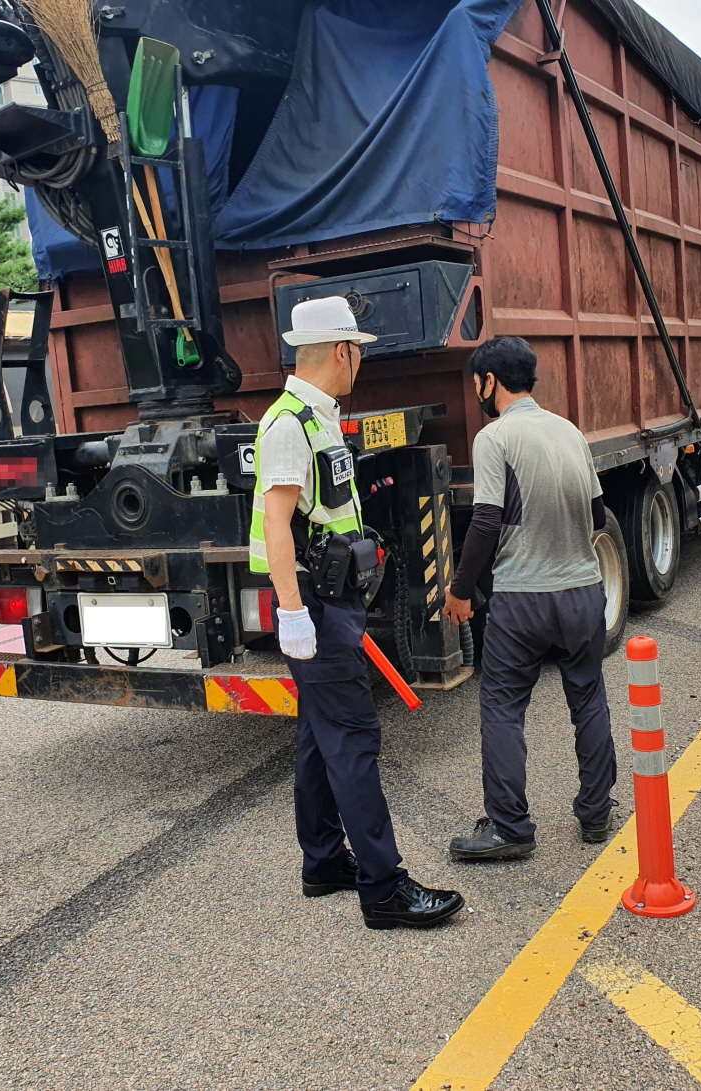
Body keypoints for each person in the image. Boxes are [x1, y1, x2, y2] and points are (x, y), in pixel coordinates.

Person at [251, 297, 464, 930]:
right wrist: (293, 614)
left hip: (329, 598)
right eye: (360, 350)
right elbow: (278, 523)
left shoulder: (317, 419)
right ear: (342, 351)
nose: (362, 361)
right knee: (353, 737)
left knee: (322, 734)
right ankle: (384, 886)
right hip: (314, 604)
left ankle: (324, 861)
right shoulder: (288, 424)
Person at [443, 337, 618, 859]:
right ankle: (596, 813)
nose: (476, 391)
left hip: (523, 600)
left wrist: (461, 590)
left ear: (489, 382)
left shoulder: (494, 437)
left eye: (477, 382)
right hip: (584, 593)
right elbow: (596, 515)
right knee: (588, 699)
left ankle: (510, 830)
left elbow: (487, 519)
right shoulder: (570, 432)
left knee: (502, 706)